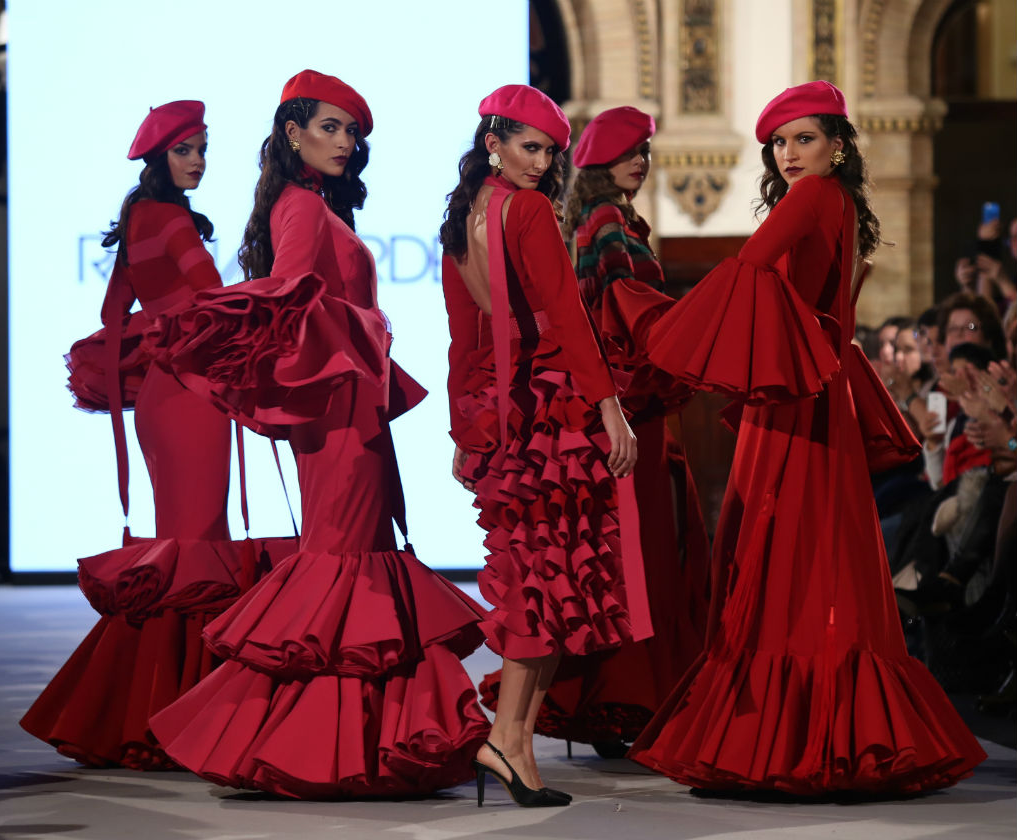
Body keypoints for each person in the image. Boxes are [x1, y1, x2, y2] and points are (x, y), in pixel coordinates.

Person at [628, 81, 986, 794]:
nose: (789, 154)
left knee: (779, 551)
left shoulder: (813, 198)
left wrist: (669, 340)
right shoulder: (845, 204)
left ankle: (781, 737)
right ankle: (838, 729)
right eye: (780, 143)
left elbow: (750, 266)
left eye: (805, 139)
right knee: (820, 555)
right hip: (817, 395)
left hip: (794, 401)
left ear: (839, 145)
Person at [147, 71, 490, 798]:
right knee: (345, 563)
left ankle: (351, 737)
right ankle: (320, 743)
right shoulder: (300, 205)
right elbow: (292, 291)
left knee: (355, 558)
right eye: (331, 126)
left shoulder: (314, 203)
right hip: (336, 412)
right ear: (292, 132)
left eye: (353, 131)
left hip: (349, 405)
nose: (346, 141)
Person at [20, 101, 282, 769]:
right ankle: (184, 716)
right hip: (194, 397)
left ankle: (148, 711)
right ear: (158, 156)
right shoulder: (171, 221)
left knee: (178, 552)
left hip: (161, 400)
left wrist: (148, 346)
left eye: (202, 148)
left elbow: (114, 313)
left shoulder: (138, 217)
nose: (198, 160)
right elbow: (216, 302)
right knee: (197, 557)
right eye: (187, 149)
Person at [479, 106, 709, 757]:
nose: (640, 161)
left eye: (644, 152)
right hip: (630, 408)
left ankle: (606, 707)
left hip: (614, 406)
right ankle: (634, 704)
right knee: (641, 562)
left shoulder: (586, 221)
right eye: (626, 152)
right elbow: (627, 323)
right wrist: (713, 327)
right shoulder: (603, 224)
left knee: (616, 562)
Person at [440, 84, 643, 806]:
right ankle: (508, 739)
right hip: (548, 413)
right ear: (492, 141)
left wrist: (467, 433)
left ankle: (512, 740)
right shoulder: (525, 210)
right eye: (529, 146)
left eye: (551, 152)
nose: (542, 163)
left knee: (541, 580)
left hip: (499, 414)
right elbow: (565, 314)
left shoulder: (464, 218)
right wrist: (611, 410)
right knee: (551, 584)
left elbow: (465, 339)